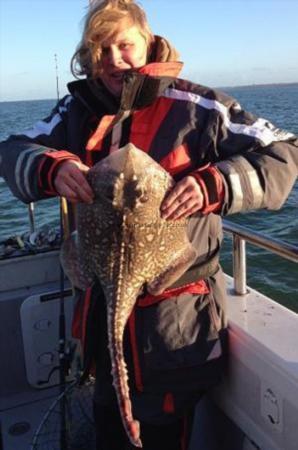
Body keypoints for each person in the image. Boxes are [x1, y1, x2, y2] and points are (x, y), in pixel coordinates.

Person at [0, 0, 297, 448]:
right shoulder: (76, 110)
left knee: (160, 434)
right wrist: (50, 168)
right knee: (108, 425)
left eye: (124, 45)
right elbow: (14, 149)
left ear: (148, 41)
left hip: (174, 325)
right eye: (101, 50)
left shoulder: (199, 107)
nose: (115, 59)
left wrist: (215, 183)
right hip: (100, 312)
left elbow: (285, 152)